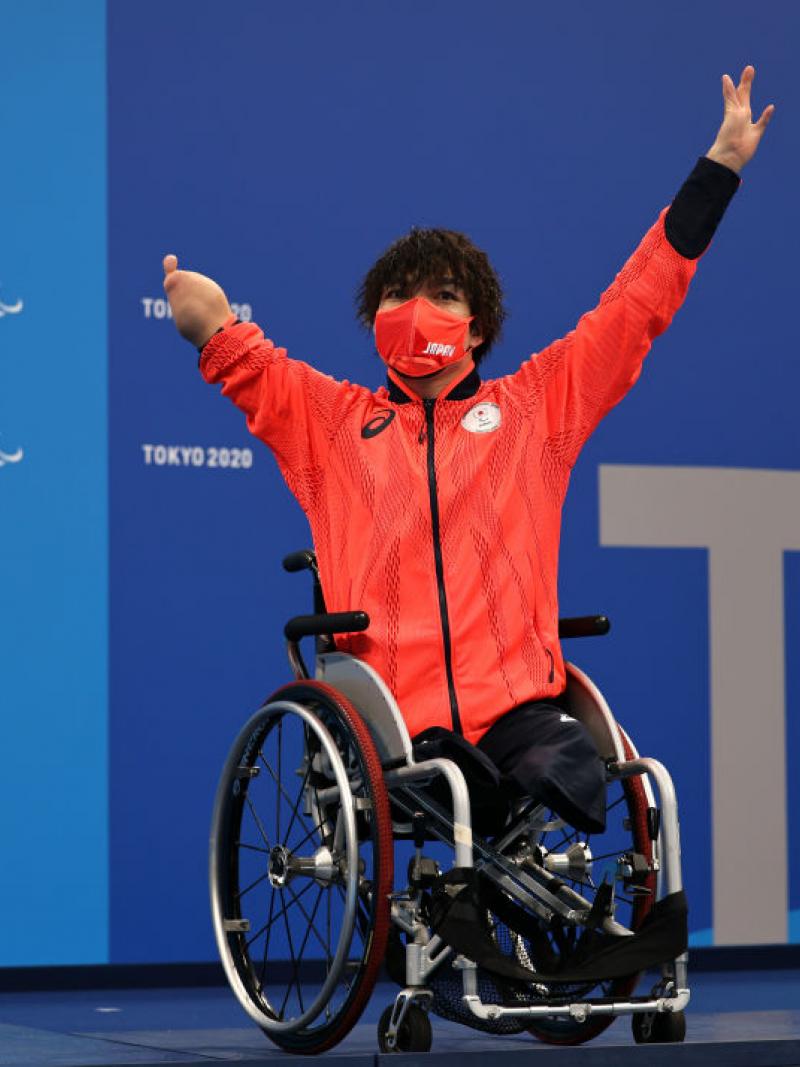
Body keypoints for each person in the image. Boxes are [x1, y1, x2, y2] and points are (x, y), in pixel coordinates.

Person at [163, 66, 772, 834]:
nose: (419, 311)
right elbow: (252, 366)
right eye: (399, 296)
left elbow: (636, 306)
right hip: (392, 734)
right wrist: (210, 321)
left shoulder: (534, 409)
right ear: (374, 321)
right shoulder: (330, 423)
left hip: (518, 719)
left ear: (477, 327)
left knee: (585, 769)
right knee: (455, 781)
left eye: (444, 296)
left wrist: (717, 169)